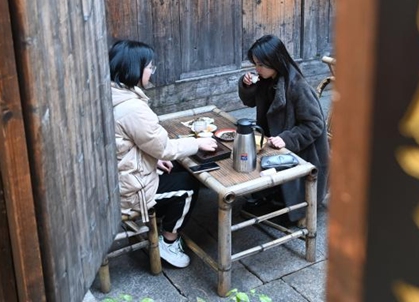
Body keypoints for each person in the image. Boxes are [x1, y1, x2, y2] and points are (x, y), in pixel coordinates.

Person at [109, 39, 217, 268]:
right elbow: (165, 148)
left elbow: (132, 146)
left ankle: (164, 223)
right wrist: (198, 143)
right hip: (130, 193)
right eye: (149, 67)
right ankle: (169, 240)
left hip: (118, 179)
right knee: (189, 184)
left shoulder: (111, 95)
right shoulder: (132, 109)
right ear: (134, 69)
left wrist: (154, 160)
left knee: (174, 168)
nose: (151, 71)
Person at [237, 35, 329, 223]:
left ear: (275, 61)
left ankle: (290, 205)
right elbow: (249, 101)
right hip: (273, 144)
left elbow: (314, 125)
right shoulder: (266, 80)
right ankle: (269, 196)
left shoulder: (298, 86)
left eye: (260, 64)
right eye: (255, 64)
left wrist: (287, 138)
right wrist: (246, 86)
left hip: (304, 153)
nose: (257, 69)